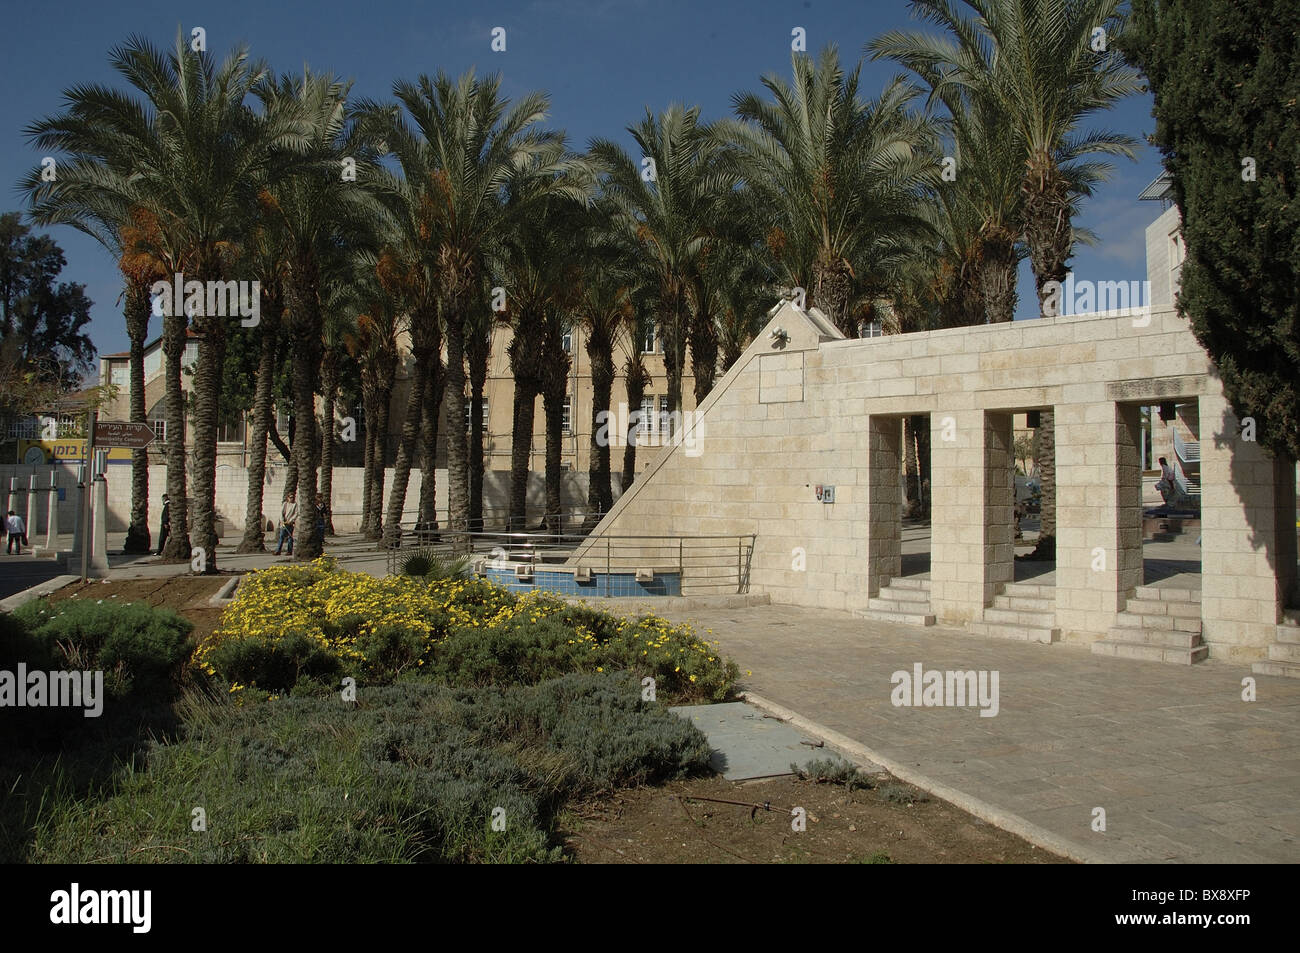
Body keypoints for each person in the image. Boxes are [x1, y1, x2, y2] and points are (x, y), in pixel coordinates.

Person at [275, 491, 297, 555]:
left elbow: (296, 513)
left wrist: (290, 520)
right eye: (290, 497)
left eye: (293, 497)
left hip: (290, 523)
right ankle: (278, 550)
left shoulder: (295, 505)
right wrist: (282, 520)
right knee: (281, 536)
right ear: (288, 498)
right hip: (284, 523)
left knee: (290, 537)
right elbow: (281, 513)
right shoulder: (285, 504)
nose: (292, 499)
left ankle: (289, 551)